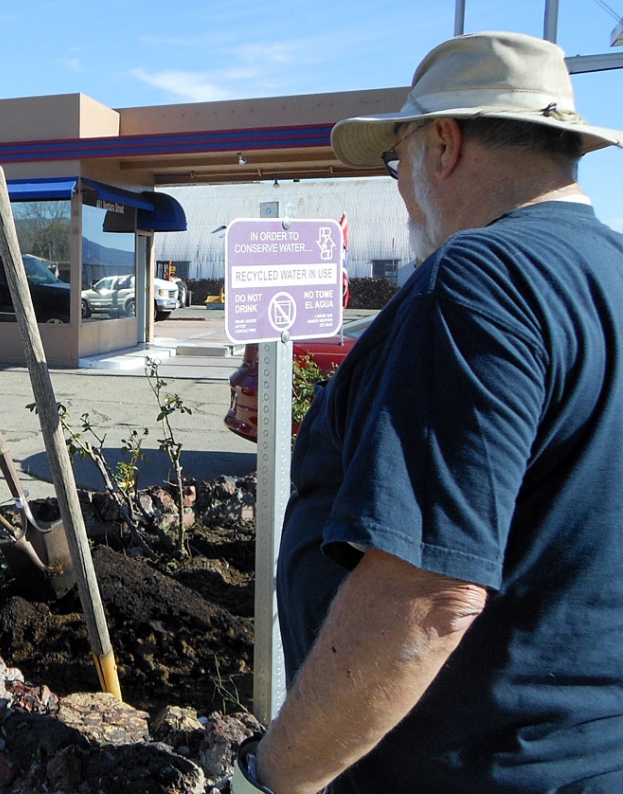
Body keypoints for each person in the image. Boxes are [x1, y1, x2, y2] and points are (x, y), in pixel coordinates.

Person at [238, 31, 623, 793]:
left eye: (396, 162)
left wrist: (272, 778)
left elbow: (426, 595)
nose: (403, 191)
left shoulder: (480, 280)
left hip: (473, 768)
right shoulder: (607, 272)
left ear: (442, 144)